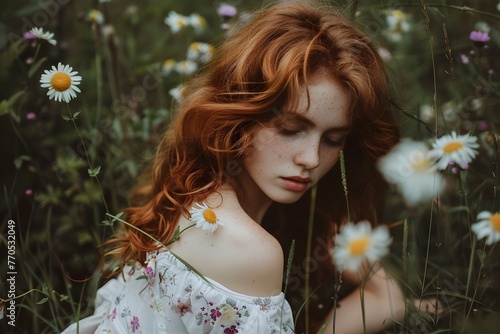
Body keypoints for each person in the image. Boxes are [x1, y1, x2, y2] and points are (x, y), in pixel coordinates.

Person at [62, 1, 404, 333]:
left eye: (333, 139)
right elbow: (385, 298)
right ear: (240, 116)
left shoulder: (195, 193)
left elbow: (389, 300)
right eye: (289, 129)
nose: (311, 158)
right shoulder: (246, 248)